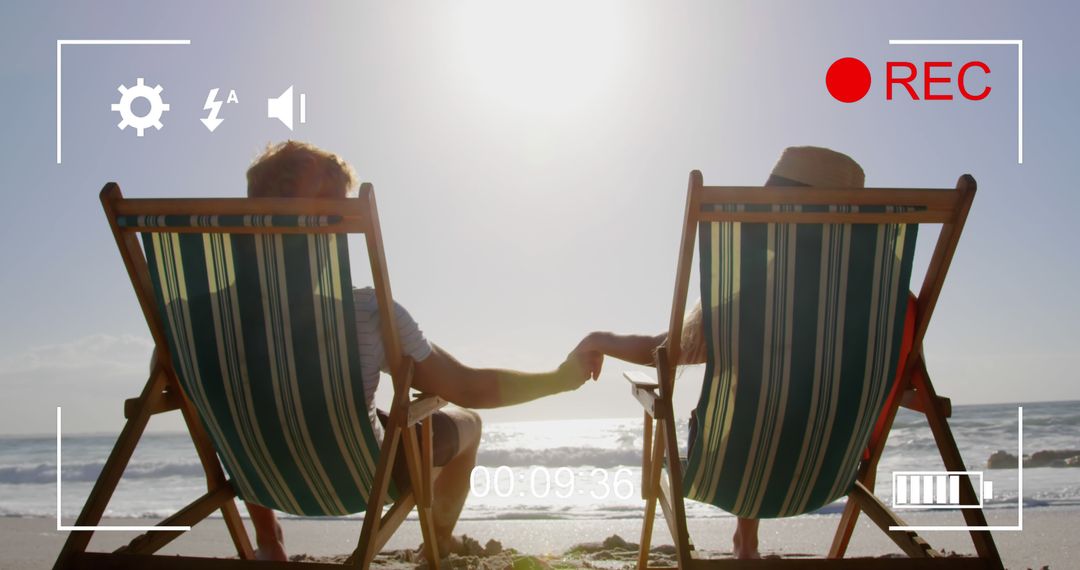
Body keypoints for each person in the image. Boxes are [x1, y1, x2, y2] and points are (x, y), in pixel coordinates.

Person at [241, 140, 596, 561]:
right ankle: (437, 545)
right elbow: (470, 387)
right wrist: (559, 379)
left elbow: (180, 393)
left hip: (258, 474)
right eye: (337, 209)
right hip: (361, 476)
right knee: (469, 422)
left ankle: (268, 542)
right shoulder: (370, 312)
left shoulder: (194, 318)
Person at [571, 146, 869, 559]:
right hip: (831, 468)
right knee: (782, 403)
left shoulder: (756, 298)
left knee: (758, 410)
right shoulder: (883, 302)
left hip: (739, 468)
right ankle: (746, 539)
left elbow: (666, 351)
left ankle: (746, 539)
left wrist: (599, 338)